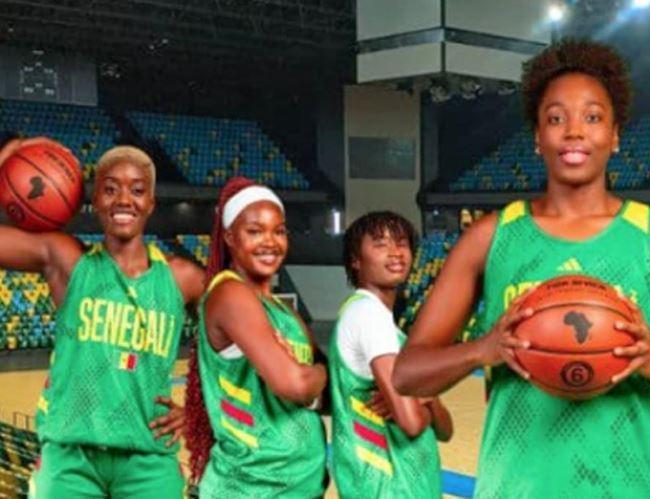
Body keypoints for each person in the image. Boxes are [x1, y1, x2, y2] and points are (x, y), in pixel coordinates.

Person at [392, 39, 650, 497]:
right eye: (555, 118)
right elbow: (408, 374)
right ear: (537, 137)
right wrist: (482, 351)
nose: (573, 131)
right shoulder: (491, 238)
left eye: (592, 117)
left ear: (615, 135)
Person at [0, 138, 203, 498]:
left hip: (148, 461)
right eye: (110, 189)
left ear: (151, 203)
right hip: (70, 459)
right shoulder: (67, 260)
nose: (124, 199)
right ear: (94, 201)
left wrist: (198, 411)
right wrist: (8, 157)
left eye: (137, 190)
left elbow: (237, 335)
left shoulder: (182, 278)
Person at [184, 177, 328, 497]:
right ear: (230, 237)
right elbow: (295, 385)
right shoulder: (230, 293)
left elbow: (325, 395)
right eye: (255, 231)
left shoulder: (283, 312)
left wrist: (311, 382)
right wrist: (317, 373)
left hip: (297, 487)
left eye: (279, 231)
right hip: (250, 488)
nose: (270, 242)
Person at [329, 211, 452, 498]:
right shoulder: (368, 315)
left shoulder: (380, 322)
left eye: (401, 243)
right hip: (386, 486)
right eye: (380, 244)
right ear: (356, 260)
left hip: (404, 485)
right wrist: (422, 400)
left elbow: (445, 431)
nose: (395, 252)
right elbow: (411, 423)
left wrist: (425, 397)